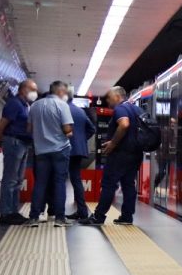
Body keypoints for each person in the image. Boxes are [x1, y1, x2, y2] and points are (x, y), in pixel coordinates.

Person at [86, 86, 142, 227]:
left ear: (117, 96)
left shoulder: (120, 109)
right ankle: (127, 217)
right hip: (135, 154)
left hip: (119, 155)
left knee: (109, 184)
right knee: (129, 185)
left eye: (109, 98)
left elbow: (124, 124)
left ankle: (98, 216)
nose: (108, 101)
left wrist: (113, 143)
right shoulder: (137, 109)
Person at [26, 81, 75, 226]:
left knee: (40, 183)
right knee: (59, 183)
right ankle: (59, 218)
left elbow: (29, 129)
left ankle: (34, 217)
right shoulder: (62, 105)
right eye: (65, 92)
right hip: (60, 149)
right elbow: (67, 129)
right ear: (60, 92)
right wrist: (69, 133)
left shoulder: (34, 106)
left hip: (41, 151)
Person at [0, 79, 37, 225]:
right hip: (14, 143)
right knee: (10, 179)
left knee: (17, 180)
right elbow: (0, 126)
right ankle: (5, 214)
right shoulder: (14, 104)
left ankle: (13, 211)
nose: (35, 93)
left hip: (23, 145)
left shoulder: (25, 106)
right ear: (23, 90)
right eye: (32, 90)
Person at [65, 86, 95, 220]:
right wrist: (81, 140)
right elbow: (92, 129)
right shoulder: (80, 111)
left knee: (58, 179)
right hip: (78, 150)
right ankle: (82, 211)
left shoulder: (62, 109)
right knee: (76, 180)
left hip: (63, 149)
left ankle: (57, 211)